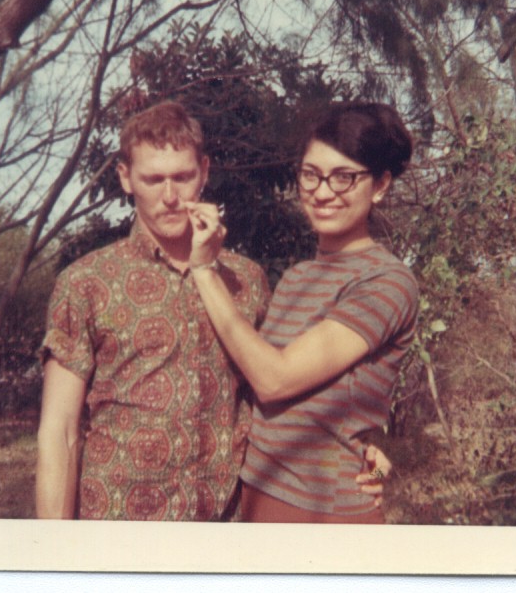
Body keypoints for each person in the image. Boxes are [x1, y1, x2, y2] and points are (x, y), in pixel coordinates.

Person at [35, 100, 389, 521]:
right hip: (119, 528)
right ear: (126, 178)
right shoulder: (86, 282)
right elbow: (59, 433)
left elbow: (282, 385)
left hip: (226, 531)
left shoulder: (246, 279)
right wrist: (55, 554)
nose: (170, 197)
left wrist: (358, 448)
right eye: (153, 179)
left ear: (204, 171)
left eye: (183, 177)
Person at [187, 101, 418, 523]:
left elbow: (274, 379)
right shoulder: (297, 277)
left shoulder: (386, 282)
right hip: (256, 495)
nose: (323, 191)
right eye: (311, 174)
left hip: (318, 511)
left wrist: (202, 269)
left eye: (344, 176)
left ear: (381, 185)